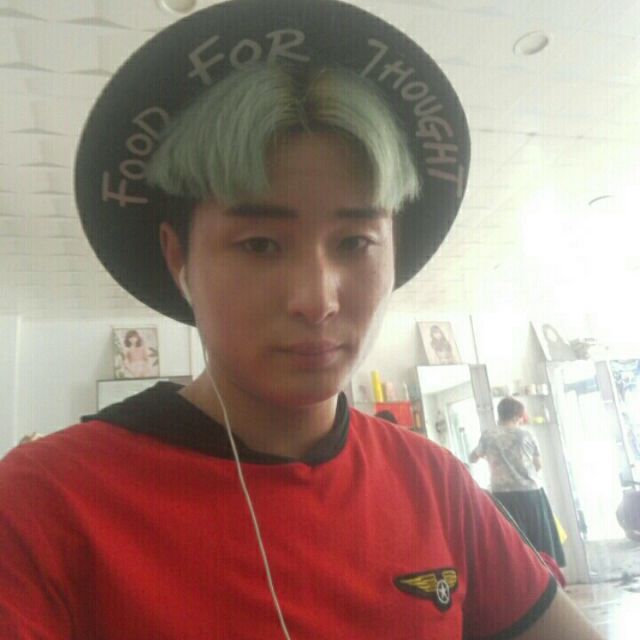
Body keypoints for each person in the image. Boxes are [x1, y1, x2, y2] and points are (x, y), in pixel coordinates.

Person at [0, 1, 601, 638]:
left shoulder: (434, 484)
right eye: (260, 244)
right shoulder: (44, 503)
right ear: (180, 259)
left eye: (355, 242)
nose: (317, 300)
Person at [470, 396, 566, 568]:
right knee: (540, 544)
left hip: (502, 496)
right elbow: (538, 464)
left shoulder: (488, 436)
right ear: (517, 415)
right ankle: (547, 578)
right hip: (531, 494)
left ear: (500, 414)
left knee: (512, 546)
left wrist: (488, 457)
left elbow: (473, 457)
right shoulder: (526, 435)